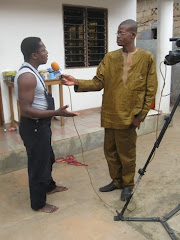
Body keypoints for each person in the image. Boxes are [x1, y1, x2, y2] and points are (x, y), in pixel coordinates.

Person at [61, 19, 158, 201]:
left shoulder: (146, 58)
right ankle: (117, 181)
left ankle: (128, 184)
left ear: (133, 35)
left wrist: (141, 116)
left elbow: (150, 90)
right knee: (110, 151)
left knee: (127, 154)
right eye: (117, 33)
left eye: (122, 33)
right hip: (110, 114)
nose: (118, 36)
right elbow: (98, 83)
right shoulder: (110, 58)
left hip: (129, 117)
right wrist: (77, 82)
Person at [14, 37, 79, 213]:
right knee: (38, 165)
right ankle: (38, 203)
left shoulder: (34, 71)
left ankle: (49, 186)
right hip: (34, 127)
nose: (47, 52)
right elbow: (26, 110)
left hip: (41, 125)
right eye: (43, 50)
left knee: (47, 158)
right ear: (34, 54)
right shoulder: (27, 76)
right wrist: (56, 113)